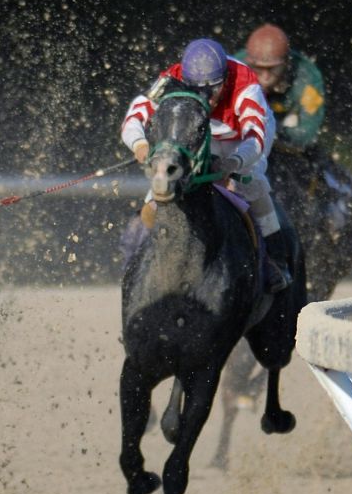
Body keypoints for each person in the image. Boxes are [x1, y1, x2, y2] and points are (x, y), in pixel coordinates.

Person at [120, 37, 290, 293]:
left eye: (214, 88)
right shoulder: (171, 79)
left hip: (242, 137)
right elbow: (135, 116)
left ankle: (275, 260)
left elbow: (256, 138)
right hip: (197, 132)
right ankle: (135, 258)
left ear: (225, 77)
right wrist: (140, 145)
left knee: (253, 183)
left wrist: (233, 163)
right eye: (197, 88)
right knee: (160, 191)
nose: (207, 98)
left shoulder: (246, 84)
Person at [235, 23, 326, 154]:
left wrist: (273, 132)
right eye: (258, 69)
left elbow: (309, 130)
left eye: (273, 69)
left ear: (287, 63)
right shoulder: (236, 68)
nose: (265, 78)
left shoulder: (308, 79)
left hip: (286, 137)